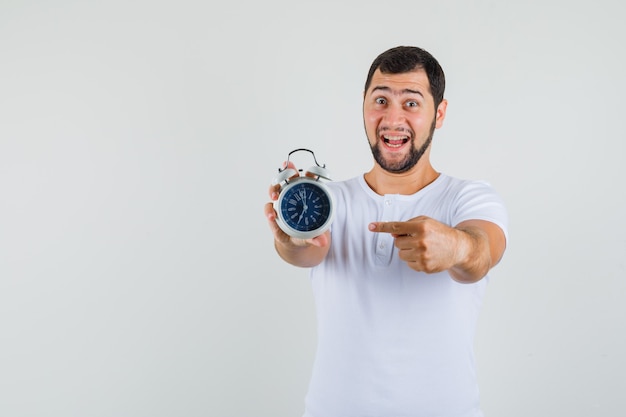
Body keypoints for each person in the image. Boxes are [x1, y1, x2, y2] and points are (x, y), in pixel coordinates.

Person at [264, 45, 508, 417]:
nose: (393, 119)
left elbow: (482, 254)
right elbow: (304, 251)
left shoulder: (470, 197)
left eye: (411, 103)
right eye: (381, 100)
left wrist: (456, 247)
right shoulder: (329, 201)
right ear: (363, 106)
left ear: (439, 113)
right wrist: (293, 234)